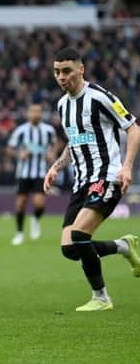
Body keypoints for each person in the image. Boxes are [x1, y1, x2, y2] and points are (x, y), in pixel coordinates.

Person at [44, 47, 140, 311]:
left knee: (79, 234)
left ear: (81, 69)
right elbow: (74, 143)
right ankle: (124, 245)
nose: (61, 77)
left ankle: (101, 297)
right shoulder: (63, 105)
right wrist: (56, 166)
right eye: (56, 72)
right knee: (70, 248)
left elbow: (133, 129)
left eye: (66, 71)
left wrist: (127, 167)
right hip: (81, 182)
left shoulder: (100, 97)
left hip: (106, 177)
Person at [7, 104, 58, 245]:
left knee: (39, 203)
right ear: (28, 114)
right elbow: (10, 149)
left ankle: (35, 219)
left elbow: (55, 145)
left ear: (41, 114)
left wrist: (52, 153)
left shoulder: (48, 130)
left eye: (38, 111)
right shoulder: (21, 131)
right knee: (20, 204)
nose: (35, 114)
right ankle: (19, 233)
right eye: (33, 111)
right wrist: (19, 154)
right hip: (23, 173)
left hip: (41, 172)